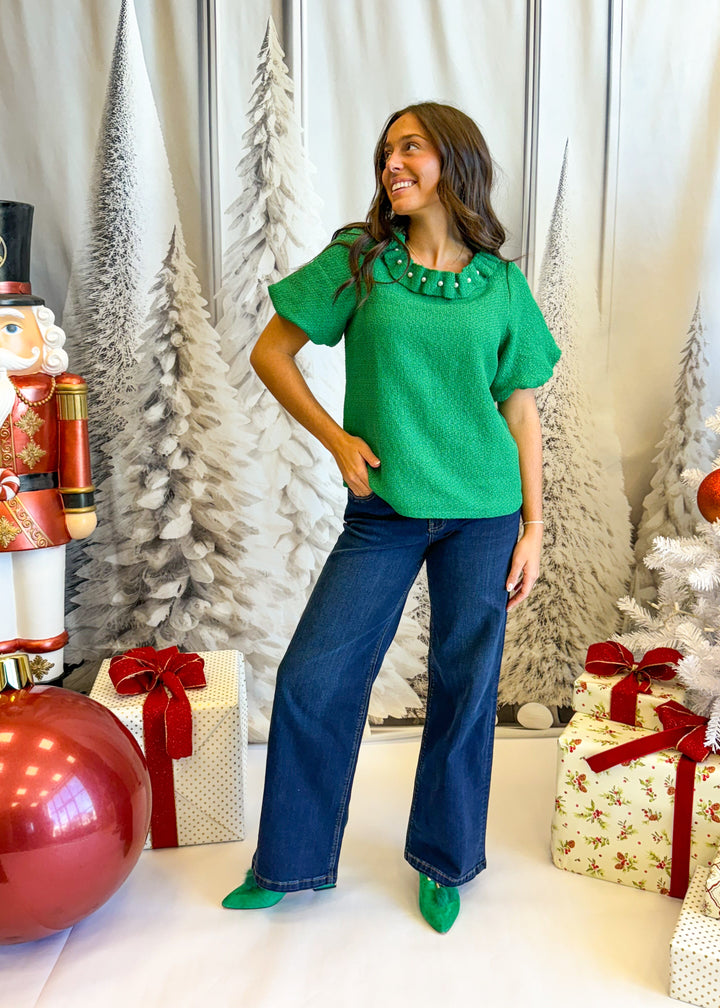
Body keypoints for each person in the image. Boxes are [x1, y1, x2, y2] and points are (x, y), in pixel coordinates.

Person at [223, 102, 560, 932]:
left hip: (485, 514)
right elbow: (271, 352)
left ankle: (444, 861)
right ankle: (290, 861)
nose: (391, 164)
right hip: (385, 513)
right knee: (313, 678)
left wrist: (534, 526)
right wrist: (337, 440)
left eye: (409, 147)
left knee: (464, 685)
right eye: (384, 153)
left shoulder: (502, 286)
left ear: (454, 158)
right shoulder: (361, 260)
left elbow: (519, 410)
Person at [0, 201, 96, 683]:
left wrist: (80, 504)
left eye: (10, 329)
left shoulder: (61, 389)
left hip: (38, 508)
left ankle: (43, 682)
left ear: (42, 336)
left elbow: (74, 447)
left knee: (39, 599)